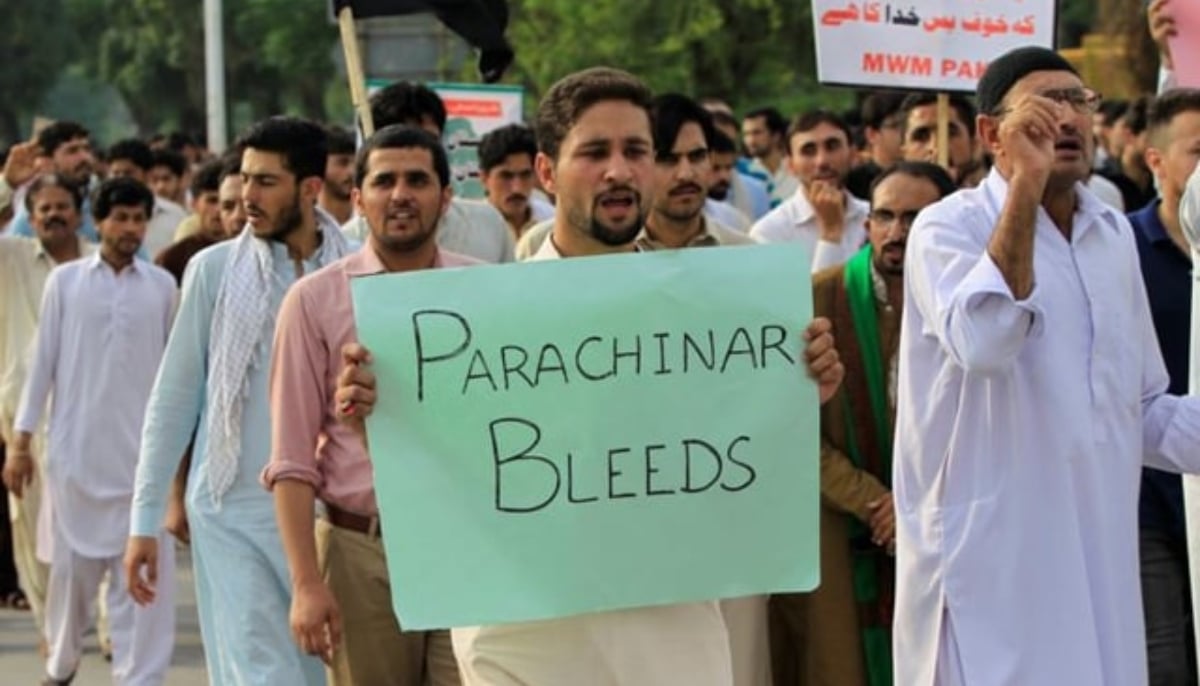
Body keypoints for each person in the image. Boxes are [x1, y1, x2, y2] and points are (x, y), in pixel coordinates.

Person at [332, 66, 845, 686]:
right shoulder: (478, 326)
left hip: (673, 626)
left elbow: (738, 454)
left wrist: (795, 392)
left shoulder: (719, 319)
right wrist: (380, 422)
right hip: (523, 633)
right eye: (595, 152)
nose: (620, 170)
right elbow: (444, 467)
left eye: (636, 151)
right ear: (548, 172)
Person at [893, 46, 1200, 685]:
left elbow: (1137, 409)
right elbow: (983, 343)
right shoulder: (945, 229)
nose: (1067, 120)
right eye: (1043, 106)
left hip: (1099, 566)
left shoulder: (1112, 235)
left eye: (1079, 102)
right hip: (995, 574)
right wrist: (1025, 189)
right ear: (988, 134)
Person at [125, 117, 348, 686]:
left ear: (309, 189)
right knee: (263, 676)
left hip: (330, 520)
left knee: (328, 673)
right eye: (244, 178)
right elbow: (175, 397)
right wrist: (144, 519)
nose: (247, 195)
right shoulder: (214, 271)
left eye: (266, 181)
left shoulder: (354, 271)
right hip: (232, 512)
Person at [265, 124, 475, 686]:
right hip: (362, 548)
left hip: (468, 543)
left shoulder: (483, 290)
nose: (401, 194)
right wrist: (307, 584)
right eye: (384, 181)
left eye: (418, 180)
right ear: (357, 198)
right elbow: (290, 458)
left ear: (447, 195)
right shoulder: (313, 301)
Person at [770, 162, 955, 686]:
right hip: (840, 523)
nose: (897, 232)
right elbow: (785, 427)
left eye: (915, 218)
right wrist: (878, 504)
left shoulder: (971, 307)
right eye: (885, 217)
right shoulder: (818, 299)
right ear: (867, 224)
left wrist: (921, 505)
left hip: (948, 524)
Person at [7, 177, 177, 686]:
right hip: (74, 460)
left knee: (143, 584)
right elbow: (42, 368)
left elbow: (176, 377)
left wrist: (177, 468)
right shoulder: (66, 282)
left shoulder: (163, 287)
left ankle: (139, 677)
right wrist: (20, 443)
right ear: (98, 221)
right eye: (120, 218)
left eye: (138, 218)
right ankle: (60, 668)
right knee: (69, 581)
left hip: (141, 466)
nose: (130, 228)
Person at [0, 174, 94, 641]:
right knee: (31, 528)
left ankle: (111, 630)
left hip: (93, 418)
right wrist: (4, 184)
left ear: (79, 213)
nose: (54, 215)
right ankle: (51, 628)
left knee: (103, 524)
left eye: (62, 207)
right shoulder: (11, 259)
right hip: (26, 424)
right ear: (29, 217)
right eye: (43, 209)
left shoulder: (100, 265)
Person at [1130, 88, 1200, 683]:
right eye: (1199, 150)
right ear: (1155, 161)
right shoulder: (1118, 248)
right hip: (1145, 497)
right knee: (1162, 660)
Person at [340, 81, 516, 264]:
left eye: (428, 140)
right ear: (358, 199)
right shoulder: (345, 245)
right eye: (398, 142)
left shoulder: (487, 225)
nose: (401, 195)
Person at [749, 110, 869, 273]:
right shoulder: (769, 232)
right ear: (790, 166)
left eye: (832, 146)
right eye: (808, 150)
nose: (822, 161)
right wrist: (830, 233)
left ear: (853, 154)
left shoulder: (873, 216)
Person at [478, 123, 551, 240]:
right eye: (506, 176)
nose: (517, 188)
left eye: (525, 175)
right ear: (484, 178)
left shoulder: (551, 221)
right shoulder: (471, 228)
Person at [742, 107, 800, 206]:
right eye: (746, 134)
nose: (751, 141)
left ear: (776, 136)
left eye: (757, 133)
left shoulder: (797, 170)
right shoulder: (743, 173)